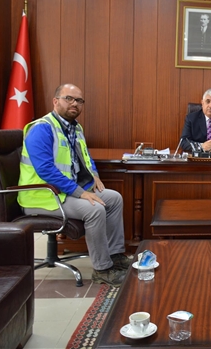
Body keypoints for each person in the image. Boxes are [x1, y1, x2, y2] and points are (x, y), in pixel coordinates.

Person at [18, 84, 132, 287]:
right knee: (94, 209)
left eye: (79, 100)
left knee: (114, 198)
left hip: (63, 192)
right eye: (69, 98)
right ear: (55, 101)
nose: (74, 104)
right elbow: (46, 170)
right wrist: (80, 193)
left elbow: (86, 157)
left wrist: (94, 175)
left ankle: (115, 256)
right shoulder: (41, 128)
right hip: (42, 196)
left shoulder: (75, 128)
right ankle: (102, 270)